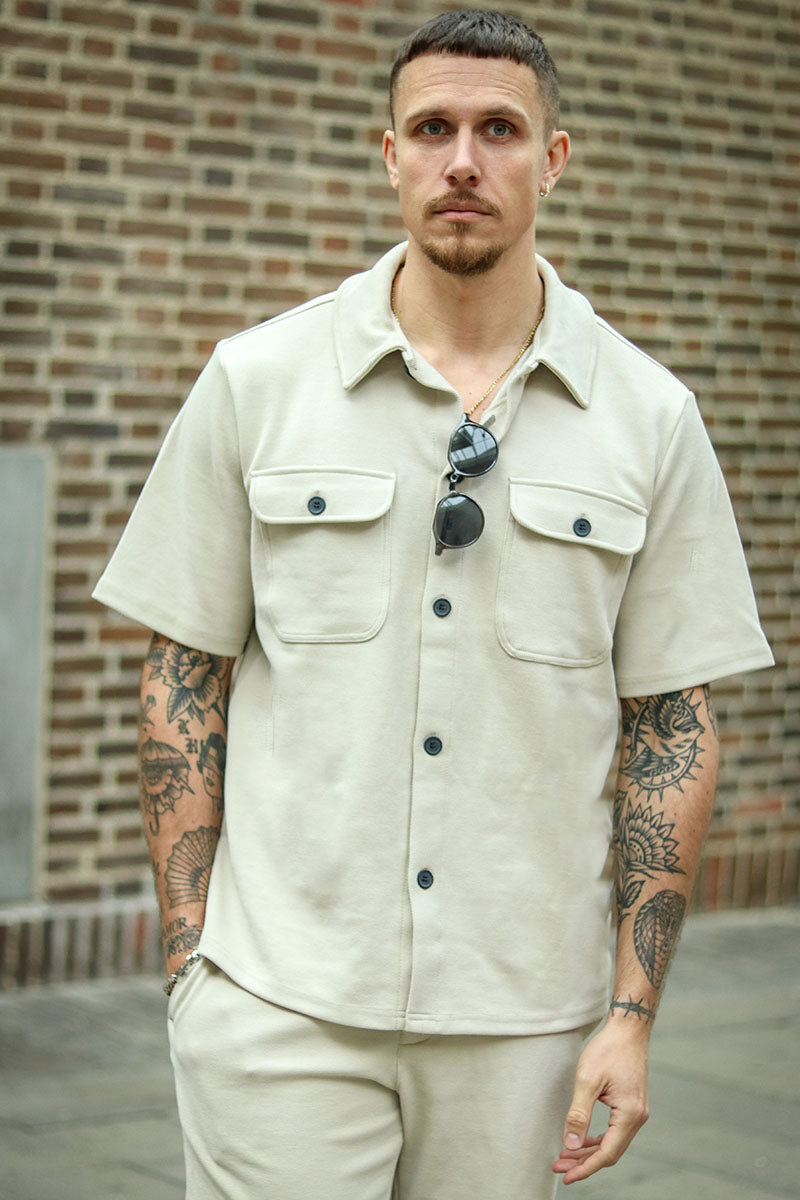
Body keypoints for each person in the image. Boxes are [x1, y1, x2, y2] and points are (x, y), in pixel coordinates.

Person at [93, 10, 773, 1199]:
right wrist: (193, 963)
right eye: (432, 129)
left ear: (552, 159)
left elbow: (670, 723)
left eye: (498, 129)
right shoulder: (256, 381)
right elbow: (182, 673)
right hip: (279, 1003)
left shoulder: (649, 418)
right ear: (390, 154)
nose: (463, 159)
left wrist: (628, 1013)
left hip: (522, 1021)